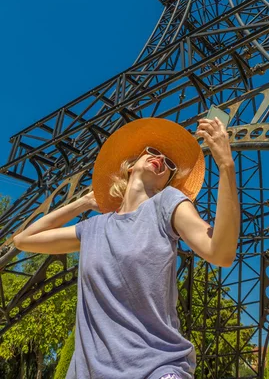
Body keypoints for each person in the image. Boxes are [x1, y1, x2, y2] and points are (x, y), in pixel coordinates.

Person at [13, 116, 240, 379]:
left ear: (167, 180)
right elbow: (24, 240)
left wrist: (225, 165)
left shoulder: (167, 204)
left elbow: (220, 252)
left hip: (156, 367)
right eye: (153, 152)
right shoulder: (94, 228)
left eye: (169, 164)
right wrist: (83, 203)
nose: (161, 160)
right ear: (130, 166)